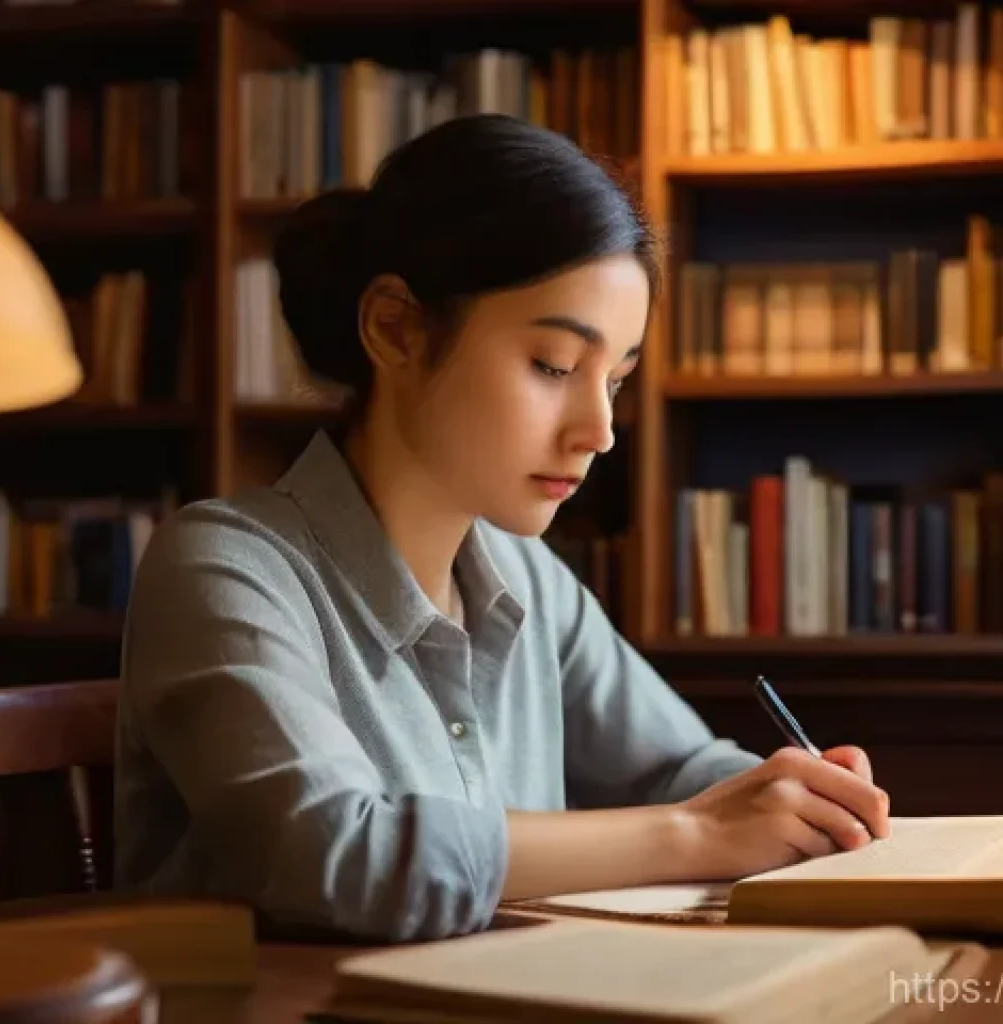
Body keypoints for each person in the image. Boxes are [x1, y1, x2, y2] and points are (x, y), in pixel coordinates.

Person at [113, 114, 889, 943]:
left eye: (617, 379)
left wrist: (794, 798)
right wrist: (696, 832)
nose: (599, 429)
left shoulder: (527, 576)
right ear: (395, 328)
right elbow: (332, 852)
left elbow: (679, 769)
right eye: (555, 365)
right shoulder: (225, 566)